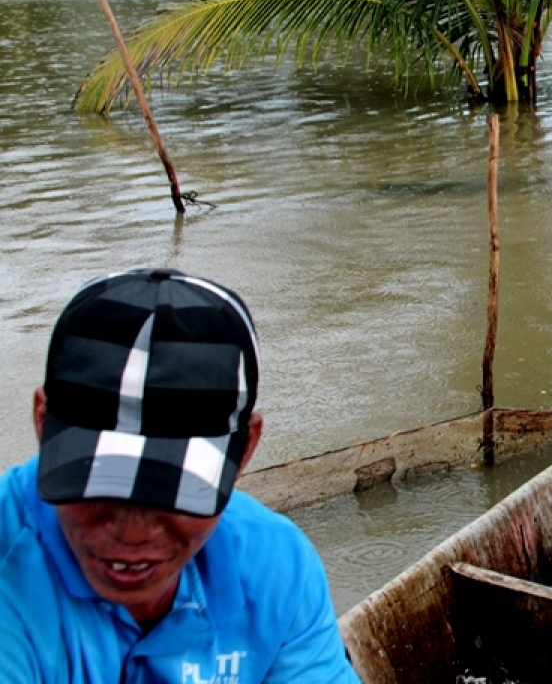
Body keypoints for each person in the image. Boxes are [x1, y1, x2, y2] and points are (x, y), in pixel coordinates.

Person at [0, 269, 361, 683]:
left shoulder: (276, 568)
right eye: (98, 480)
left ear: (245, 450)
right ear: (42, 424)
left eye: (168, 490)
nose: (132, 533)